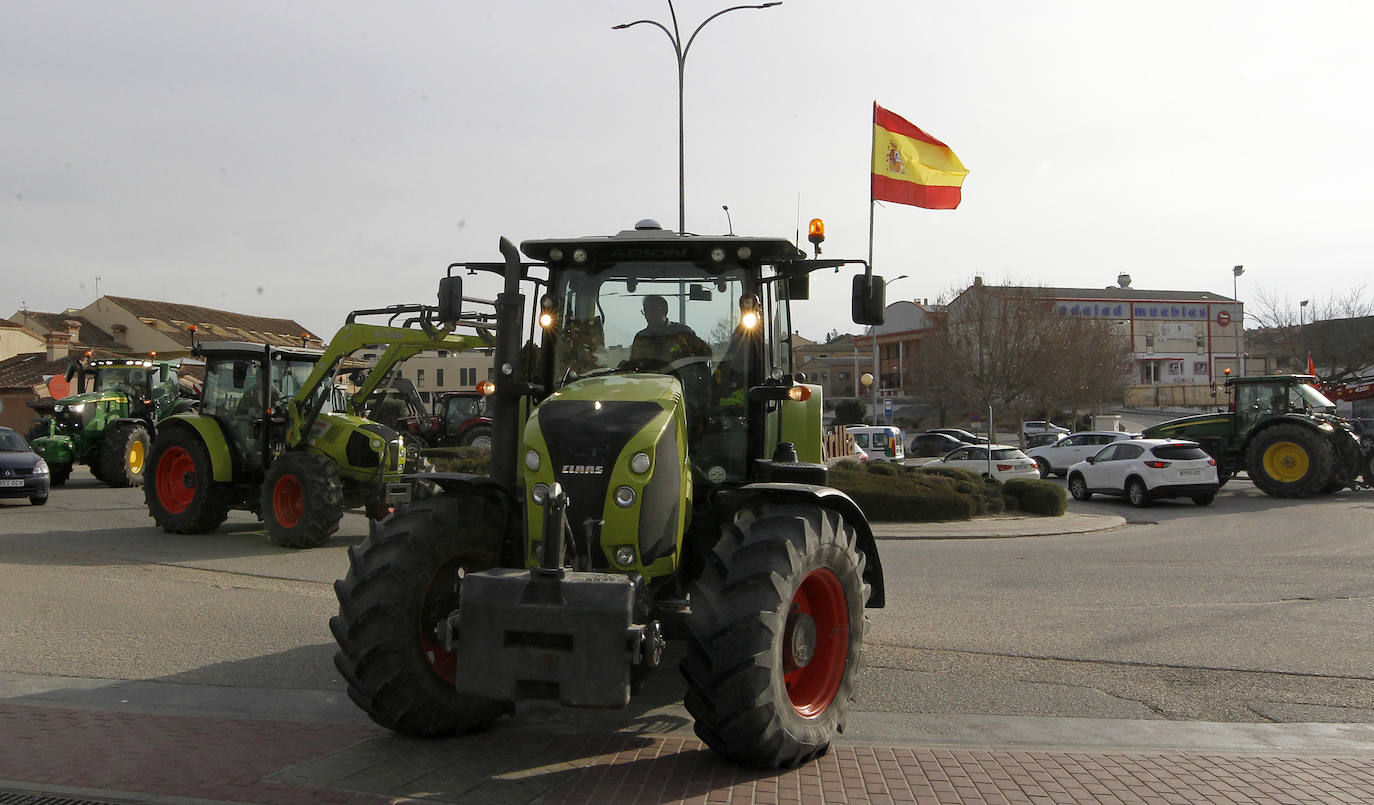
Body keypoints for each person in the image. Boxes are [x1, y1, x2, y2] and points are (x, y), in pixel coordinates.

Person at [629, 295, 711, 368]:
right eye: (645, 311)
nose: (648, 314)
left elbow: (707, 354)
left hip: (680, 382)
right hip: (649, 383)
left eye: (652, 310)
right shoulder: (641, 338)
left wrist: (685, 361)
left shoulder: (683, 333)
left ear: (664, 310)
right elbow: (633, 366)